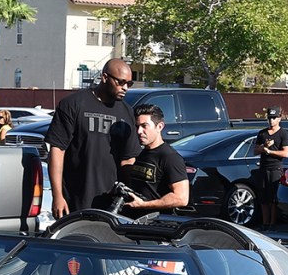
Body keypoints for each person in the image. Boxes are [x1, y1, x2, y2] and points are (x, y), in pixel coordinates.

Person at [45, 58, 141, 218]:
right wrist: (57, 196)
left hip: (111, 203)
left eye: (129, 84)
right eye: (121, 82)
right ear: (104, 77)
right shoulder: (73, 104)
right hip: (74, 199)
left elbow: (128, 158)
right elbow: (57, 150)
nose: (125, 88)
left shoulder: (126, 112)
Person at [121, 103, 189, 215]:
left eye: (144, 126)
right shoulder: (142, 153)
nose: (139, 131)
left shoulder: (170, 157)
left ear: (160, 126)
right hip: (134, 222)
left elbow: (181, 198)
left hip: (156, 224)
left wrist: (144, 205)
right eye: (137, 126)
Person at [254, 106, 288, 230]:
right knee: (263, 198)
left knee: (273, 198)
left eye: (274, 118)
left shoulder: (283, 134)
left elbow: (285, 153)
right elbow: (255, 151)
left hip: (275, 168)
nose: (271, 120)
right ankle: (265, 223)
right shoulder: (262, 133)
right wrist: (264, 147)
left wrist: (270, 152)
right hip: (263, 167)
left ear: (279, 118)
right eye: (269, 118)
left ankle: (272, 224)